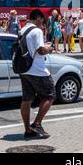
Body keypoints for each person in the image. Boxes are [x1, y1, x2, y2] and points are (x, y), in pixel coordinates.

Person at [19, 9, 55, 139]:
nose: (43, 24)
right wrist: (49, 49)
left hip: (24, 69)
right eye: (42, 21)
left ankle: (28, 130)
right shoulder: (37, 31)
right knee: (50, 95)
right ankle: (37, 123)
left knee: (26, 99)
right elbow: (40, 50)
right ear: (38, 18)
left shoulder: (22, 30)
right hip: (37, 70)